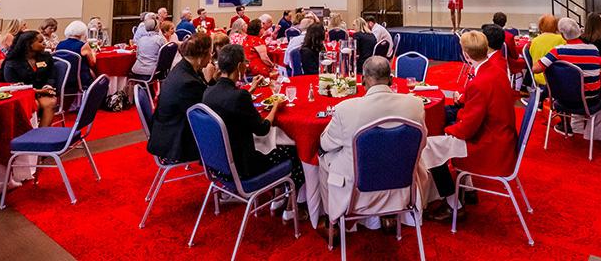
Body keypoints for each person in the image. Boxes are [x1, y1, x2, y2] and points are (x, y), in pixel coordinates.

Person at [319, 56, 426, 225]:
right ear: (391, 79)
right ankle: (389, 217)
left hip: (357, 193)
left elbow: (325, 144)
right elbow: (422, 144)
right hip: (403, 187)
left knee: (323, 158)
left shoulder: (345, 109)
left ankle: (331, 222)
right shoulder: (416, 104)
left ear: (363, 80)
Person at [430, 31, 516, 221]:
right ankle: (467, 188)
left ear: (466, 55)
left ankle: (454, 205)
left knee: (431, 146)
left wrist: (444, 131)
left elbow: (466, 129)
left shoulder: (480, 81)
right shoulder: (495, 70)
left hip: (490, 146)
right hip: (501, 136)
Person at [203, 45, 304, 205]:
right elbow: (263, 129)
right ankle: (292, 206)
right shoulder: (239, 97)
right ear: (239, 66)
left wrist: (251, 89)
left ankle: (277, 196)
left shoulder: (209, 92)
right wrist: (276, 105)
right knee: (294, 152)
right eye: (245, 62)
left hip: (218, 165)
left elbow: (230, 103)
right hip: (244, 167)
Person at [147, 33, 216, 163]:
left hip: (168, 128)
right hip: (176, 141)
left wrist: (212, 80)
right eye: (210, 53)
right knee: (231, 128)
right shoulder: (187, 82)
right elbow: (208, 109)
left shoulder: (184, 68)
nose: (211, 57)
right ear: (202, 56)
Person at [532, 17, 601, 135]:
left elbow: (536, 69)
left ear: (563, 35)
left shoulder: (558, 51)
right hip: (591, 101)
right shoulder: (594, 49)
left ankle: (565, 124)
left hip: (564, 100)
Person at [0, 31, 57, 127]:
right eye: (40, 41)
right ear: (28, 45)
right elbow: (13, 86)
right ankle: (28, 135)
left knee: (50, 102)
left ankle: (41, 134)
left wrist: (48, 86)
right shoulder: (12, 62)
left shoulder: (46, 57)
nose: (44, 43)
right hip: (21, 94)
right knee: (34, 105)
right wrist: (39, 91)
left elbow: (51, 75)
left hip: (43, 91)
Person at [56, 20, 98, 88]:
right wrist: (93, 52)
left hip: (63, 78)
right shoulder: (83, 46)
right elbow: (92, 63)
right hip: (80, 80)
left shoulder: (60, 44)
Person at [527, 14, 566, 88]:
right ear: (556, 26)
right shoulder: (562, 39)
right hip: (556, 79)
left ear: (540, 26)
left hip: (539, 77)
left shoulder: (534, 41)